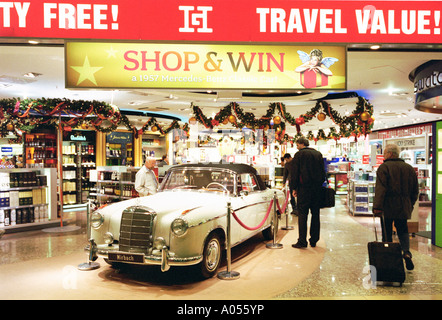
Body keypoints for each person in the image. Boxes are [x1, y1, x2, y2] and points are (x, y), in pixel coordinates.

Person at [373, 144, 418, 270]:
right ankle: (406, 252)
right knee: (403, 229)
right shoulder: (409, 168)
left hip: (388, 205)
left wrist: (377, 207)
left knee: (387, 231)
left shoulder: (384, 167)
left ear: (390, 154)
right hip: (404, 205)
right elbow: (415, 190)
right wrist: (410, 203)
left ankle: (388, 257)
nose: (384, 155)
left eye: (385, 153)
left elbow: (381, 189)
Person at [289, 137, 326, 248]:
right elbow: (323, 172)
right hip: (316, 189)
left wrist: (294, 188)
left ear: (301, 144)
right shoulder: (318, 154)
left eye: (297, 145)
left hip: (304, 189)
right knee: (315, 214)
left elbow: (295, 173)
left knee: (302, 214)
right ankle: (314, 240)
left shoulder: (299, 155)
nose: (297, 147)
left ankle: (302, 241)